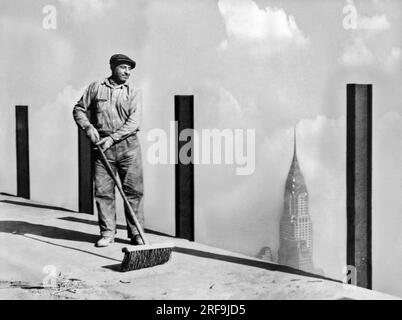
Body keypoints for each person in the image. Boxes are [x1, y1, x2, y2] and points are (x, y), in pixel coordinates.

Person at [73, 54, 144, 247]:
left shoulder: (134, 92)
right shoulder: (96, 87)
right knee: (104, 192)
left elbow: (134, 122)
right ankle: (107, 232)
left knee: (133, 192)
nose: (127, 72)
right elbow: (79, 109)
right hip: (102, 150)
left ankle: (136, 233)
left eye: (129, 69)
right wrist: (88, 127)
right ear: (112, 67)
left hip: (129, 147)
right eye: (123, 67)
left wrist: (112, 139)